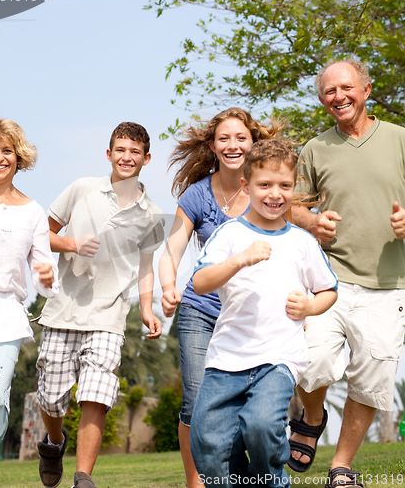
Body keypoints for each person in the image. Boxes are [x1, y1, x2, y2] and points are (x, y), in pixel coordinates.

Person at [189, 138, 338, 488]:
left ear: (294, 185)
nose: (275, 194)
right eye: (265, 185)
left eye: (285, 185)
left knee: (261, 426)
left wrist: (310, 306)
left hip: (279, 358)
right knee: (207, 443)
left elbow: (328, 290)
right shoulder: (229, 234)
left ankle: (274, 483)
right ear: (246, 185)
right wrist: (239, 259)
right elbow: (199, 282)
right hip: (227, 359)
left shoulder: (302, 241)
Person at [289, 59, 405, 487]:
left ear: (367, 89)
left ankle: (340, 466)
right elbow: (292, 206)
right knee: (310, 362)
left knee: (372, 377)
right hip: (330, 280)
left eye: (346, 88)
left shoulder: (398, 139)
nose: (337, 97)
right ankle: (314, 416)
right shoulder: (316, 149)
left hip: (390, 285)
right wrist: (311, 222)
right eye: (328, 92)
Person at [36, 122, 164, 488]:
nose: (127, 157)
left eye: (134, 152)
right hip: (63, 308)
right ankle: (54, 442)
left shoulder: (152, 214)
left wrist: (147, 309)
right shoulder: (82, 189)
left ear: (146, 158)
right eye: (120, 150)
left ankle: (83, 478)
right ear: (109, 154)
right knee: (52, 395)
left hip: (109, 315)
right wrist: (73, 243)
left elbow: (145, 269)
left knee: (98, 391)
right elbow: (41, 235)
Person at [159, 108, 282, 488]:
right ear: (212, 146)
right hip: (202, 310)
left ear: (253, 142)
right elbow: (172, 248)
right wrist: (167, 286)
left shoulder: (267, 189)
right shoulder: (197, 195)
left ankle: (243, 474)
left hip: (251, 314)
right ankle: (195, 480)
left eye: (241, 138)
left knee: (247, 405)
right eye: (224, 139)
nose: (233, 145)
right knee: (196, 403)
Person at [0, 118, 59, 478]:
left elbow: (43, 275)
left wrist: (45, 275)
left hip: (4, 318)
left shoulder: (32, 212)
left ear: (18, 157)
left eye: (6, 150)